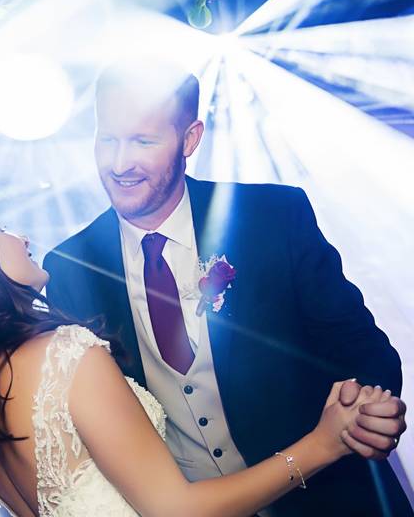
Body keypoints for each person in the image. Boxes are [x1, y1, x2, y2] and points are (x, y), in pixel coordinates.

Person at [43, 61, 410, 516]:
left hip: (329, 501)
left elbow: (363, 350)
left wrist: (370, 407)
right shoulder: (69, 268)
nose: (120, 164)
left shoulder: (272, 216)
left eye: (143, 141)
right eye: (108, 139)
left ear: (189, 139)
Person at [0, 204, 392, 516]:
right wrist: (322, 444)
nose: (20, 236)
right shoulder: (65, 354)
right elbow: (176, 511)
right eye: (0, 230)